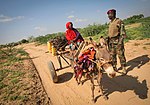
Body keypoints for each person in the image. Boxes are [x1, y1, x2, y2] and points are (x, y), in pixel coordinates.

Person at [107, 9, 127, 74]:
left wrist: (120, 42)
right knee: (112, 55)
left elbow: (122, 33)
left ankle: (124, 68)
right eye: (108, 14)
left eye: (110, 14)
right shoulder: (110, 23)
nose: (109, 16)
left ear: (114, 14)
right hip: (111, 42)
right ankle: (114, 67)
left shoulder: (119, 21)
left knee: (121, 55)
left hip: (118, 41)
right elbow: (110, 33)